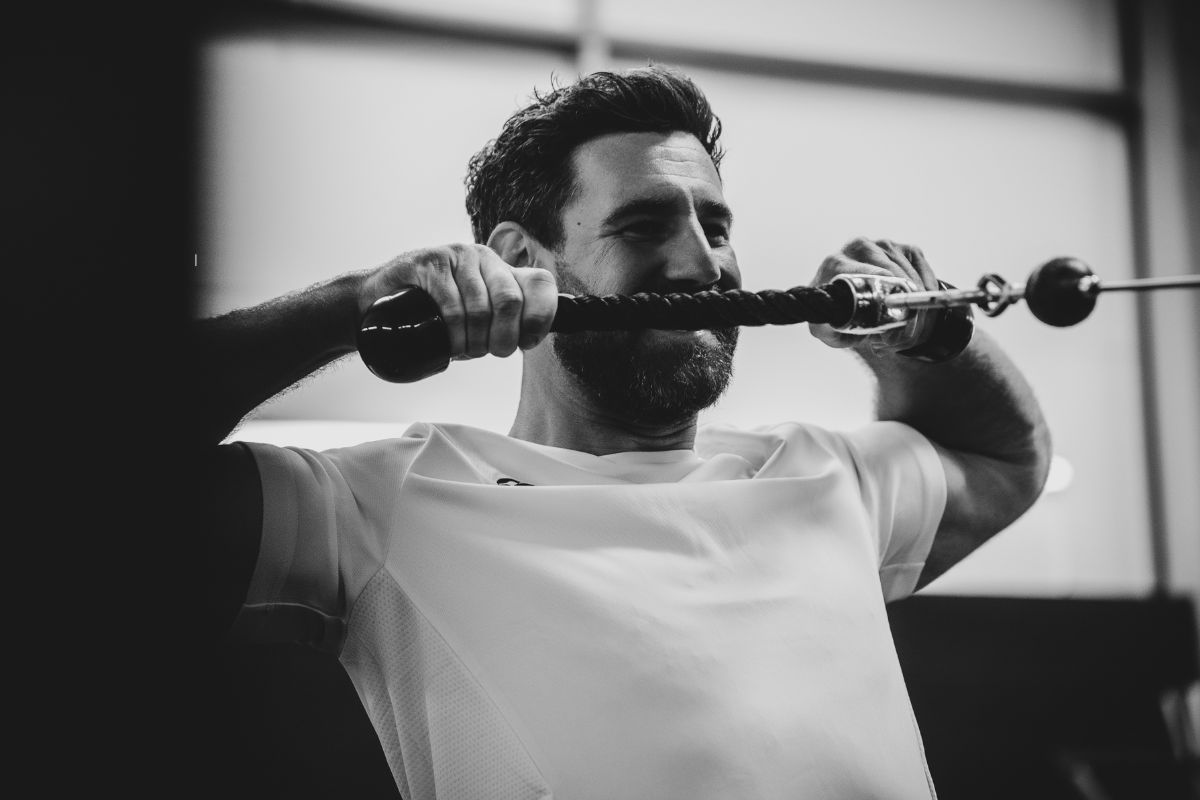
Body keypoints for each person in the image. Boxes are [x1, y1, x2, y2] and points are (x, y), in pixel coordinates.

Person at [195, 64, 1051, 799]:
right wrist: (350, 309)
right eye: (643, 225)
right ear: (522, 260)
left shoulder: (829, 475)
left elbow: (1006, 459)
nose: (702, 264)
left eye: (715, 226)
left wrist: (934, 334)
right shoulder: (373, 508)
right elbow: (79, 452)